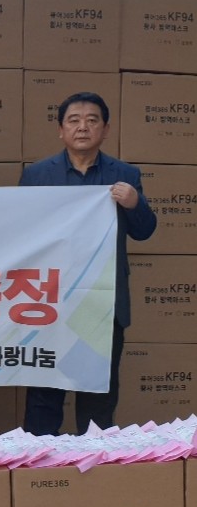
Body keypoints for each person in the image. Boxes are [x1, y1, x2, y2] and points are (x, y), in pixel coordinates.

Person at [21, 92, 157, 435]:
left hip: (103, 305)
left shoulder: (124, 174)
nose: (83, 127)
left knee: (98, 400)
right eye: (74, 120)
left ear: (105, 129)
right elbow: (21, 234)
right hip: (49, 302)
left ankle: (95, 464)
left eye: (92, 120)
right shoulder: (37, 175)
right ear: (61, 130)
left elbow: (144, 232)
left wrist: (134, 203)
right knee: (43, 396)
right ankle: (39, 460)